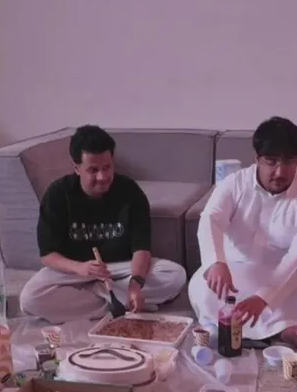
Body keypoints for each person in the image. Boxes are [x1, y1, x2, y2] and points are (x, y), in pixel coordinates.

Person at [189, 117, 297, 350]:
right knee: (201, 287)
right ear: (257, 159)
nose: (280, 172)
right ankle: (283, 329)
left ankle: (248, 329)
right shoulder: (234, 184)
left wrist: (264, 298)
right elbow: (210, 219)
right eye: (271, 162)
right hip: (241, 267)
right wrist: (216, 262)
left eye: (289, 161)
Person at [19, 125, 186, 323]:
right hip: (75, 272)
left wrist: (135, 285)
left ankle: (104, 300)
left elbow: (141, 249)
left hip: (120, 268)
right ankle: (118, 303)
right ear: (76, 168)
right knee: (30, 298)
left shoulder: (130, 191)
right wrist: (80, 268)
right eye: (93, 170)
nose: (102, 177)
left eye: (107, 167)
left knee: (175, 275)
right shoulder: (57, 195)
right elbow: (48, 256)